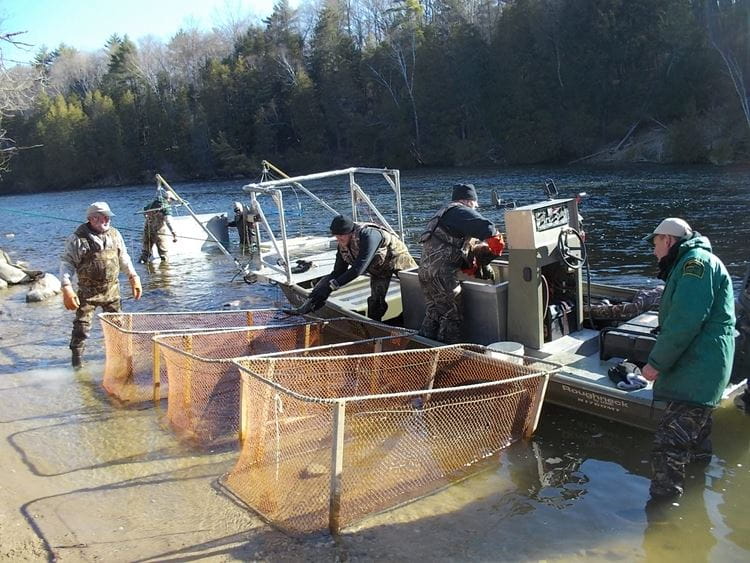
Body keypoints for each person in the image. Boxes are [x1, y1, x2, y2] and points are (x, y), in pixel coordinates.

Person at [641, 217, 735, 499]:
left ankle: (661, 514)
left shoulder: (696, 265)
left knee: (669, 445)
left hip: (697, 370)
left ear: (668, 241)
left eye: (655, 244)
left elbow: (685, 321)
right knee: (696, 441)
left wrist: (655, 363)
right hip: (702, 368)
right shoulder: (692, 262)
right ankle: (696, 507)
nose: (654, 251)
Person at [418, 183, 504, 343]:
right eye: (475, 204)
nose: (476, 208)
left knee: (434, 314)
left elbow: (451, 245)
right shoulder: (461, 211)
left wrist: (474, 264)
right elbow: (491, 232)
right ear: (468, 201)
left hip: (424, 273)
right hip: (443, 276)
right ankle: (445, 359)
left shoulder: (442, 213)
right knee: (451, 318)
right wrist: (489, 257)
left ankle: (419, 353)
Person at [60, 202, 142, 368]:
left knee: (118, 327)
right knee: (81, 328)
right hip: (87, 293)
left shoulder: (115, 234)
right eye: (102, 217)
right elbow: (67, 263)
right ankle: (77, 365)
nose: (106, 220)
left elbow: (123, 257)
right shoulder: (78, 239)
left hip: (112, 290)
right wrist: (66, 287)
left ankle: (120, 363)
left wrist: (133, 276)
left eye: (108, 217)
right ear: (91, 219)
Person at [301, 215, 417, 321]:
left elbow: (359, 268)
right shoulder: (342, 245)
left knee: (417, 288)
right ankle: (375, 326)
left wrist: (333, 286)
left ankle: (417, 319)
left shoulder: (369, 235)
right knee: (376, 301)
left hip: (397, 259)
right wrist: (321, 288)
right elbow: (338, 271)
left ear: (350, 232)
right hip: (379, 268)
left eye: (341, 235)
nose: (338, 238)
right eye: (336, 235)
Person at [139, 192, 177, 263]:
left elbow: (144, 211)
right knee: (163, 254)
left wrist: (148, 217)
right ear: (169, 198)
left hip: (147, 230)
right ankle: (165, 270)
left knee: (145, 252)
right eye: (172, 200)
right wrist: (173, 232)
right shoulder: (166, 207)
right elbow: (168, 221)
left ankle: (143, 267)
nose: (172, 202)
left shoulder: (152, 204)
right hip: (159, 232)